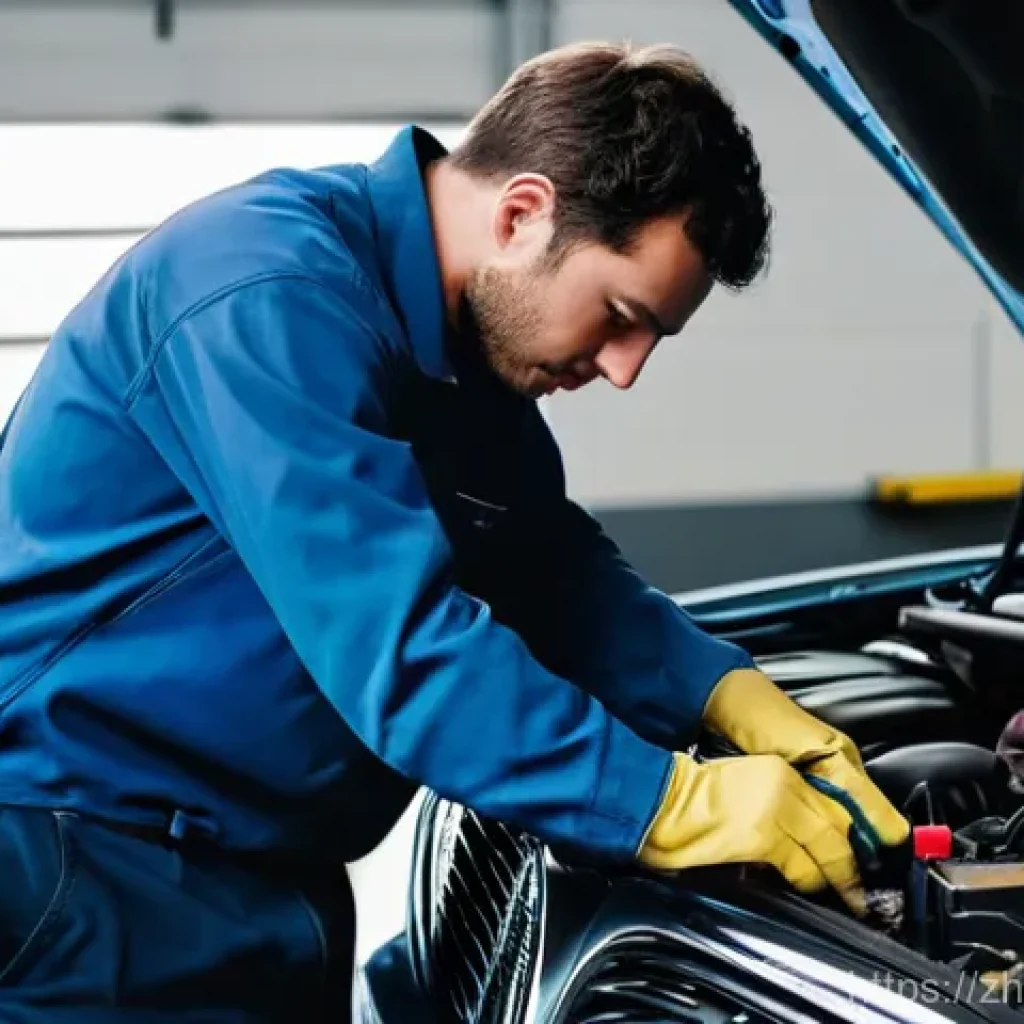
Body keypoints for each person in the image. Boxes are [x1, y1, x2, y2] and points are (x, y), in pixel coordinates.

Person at [0, 40, 908, 1022]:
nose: (624, 368)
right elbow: (406, 649)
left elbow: (550, 569)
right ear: (522, 212)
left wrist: (726, 692)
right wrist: (666, 803)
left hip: (257, 889)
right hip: (85, 884)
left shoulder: (461, 361)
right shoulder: (262, 295)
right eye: (617, 315)